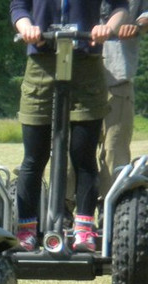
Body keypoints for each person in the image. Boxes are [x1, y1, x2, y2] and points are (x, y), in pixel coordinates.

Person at [10, 0, 128, 252]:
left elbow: (120, 6)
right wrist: (27, 27)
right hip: (41, 63)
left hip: (86, 62)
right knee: (34, 157)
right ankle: (26, 229)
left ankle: (84, 228)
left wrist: (107, 27)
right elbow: (18, 7)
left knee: (83, 155)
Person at [99, 0, 148, 196]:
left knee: (114, 149)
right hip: (76, 76)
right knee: (70, 149)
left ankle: (112, 204)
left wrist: (137, 25)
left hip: (117, 78)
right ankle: (65, 205)